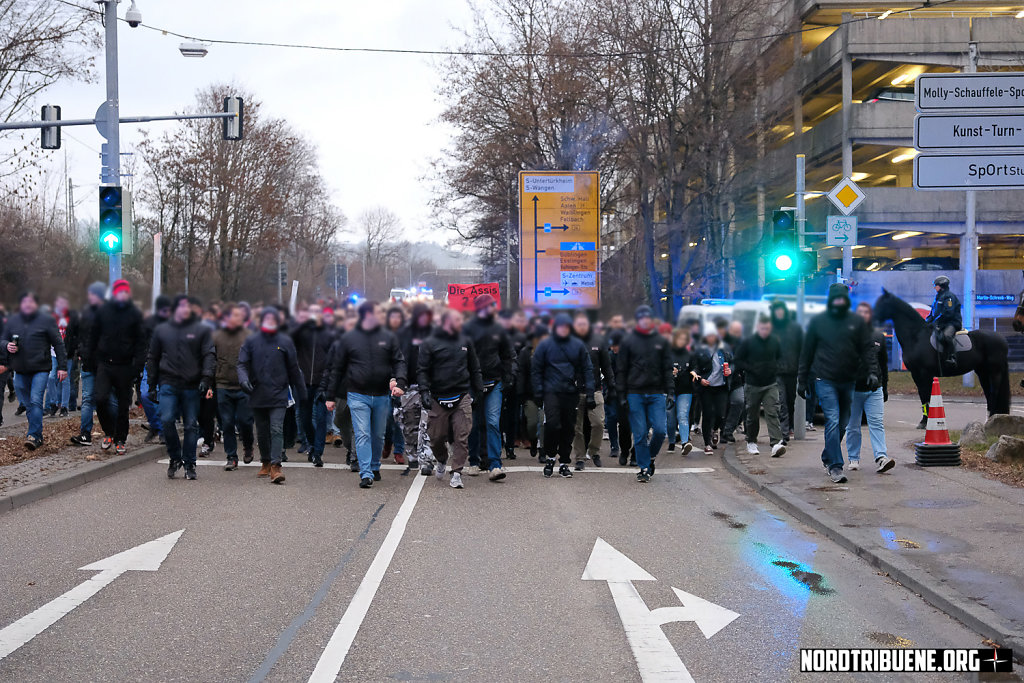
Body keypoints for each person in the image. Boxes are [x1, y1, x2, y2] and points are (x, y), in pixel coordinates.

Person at [798, 283, 879, 484]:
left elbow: (867, 349)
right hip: (824, 379)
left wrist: (872, 372)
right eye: (836, 298)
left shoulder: (856, 322)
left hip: (848, 381)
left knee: (842, 423)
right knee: (832, 421)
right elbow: (806, 352)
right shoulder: (819, 323)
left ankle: (827, 455)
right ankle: (835, 466)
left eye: (842, 298)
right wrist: (802, 380)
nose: (839, 301)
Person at [322, 301, 407, 489]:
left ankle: (375, 466)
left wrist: (400, 382)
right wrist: (330, 396)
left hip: (381, 394)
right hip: (357, 394)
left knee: (377, 435)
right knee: (362, 434)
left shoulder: (388, 337)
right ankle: (366, 472)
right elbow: (337, 369)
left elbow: (399, 361)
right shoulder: (349, 338)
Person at [147, 294, 216, 481]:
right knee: (167, 419)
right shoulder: (162, 330)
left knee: (191, 424)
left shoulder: (201, 330)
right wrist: (151, 385)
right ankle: (175, 457)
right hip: (168, 382)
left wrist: (206, 378)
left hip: (191, 385)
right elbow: (153, 357)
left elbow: (209, 354)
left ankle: (190, 462)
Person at [417, 308, 483, 489]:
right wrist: (424, 392)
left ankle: (457, 473)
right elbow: (422, 370)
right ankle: (441, 458)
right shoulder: (430, 343)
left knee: (462, 437)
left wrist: (478, 391)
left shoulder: (465, 341)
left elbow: (474, 368)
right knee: (436, 437)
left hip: (461, 395)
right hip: (438, 397)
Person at [238, 307, 305, 484]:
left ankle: (276, 466)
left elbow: (293, 368)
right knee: (262, 431)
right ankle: (265, 461)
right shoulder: (251, 341)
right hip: (257, 393)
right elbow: (242, 364)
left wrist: (302, 391)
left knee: (276, 428)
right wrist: (243, 380)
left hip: (278, 393)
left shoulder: (284, 341)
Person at [0, 291, 67, 450]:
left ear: (36, 304)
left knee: (36, 400)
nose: (27, 305)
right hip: (20, 370)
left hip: (40, 368)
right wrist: (6, 345)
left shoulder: (47, 320)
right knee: (28, 404)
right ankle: (37, 434)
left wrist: (63, 367)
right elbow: (2, 339)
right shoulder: (13, 321)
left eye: (30, 302)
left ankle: (34, 435)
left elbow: (58, 343)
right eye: (24, 302)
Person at [532, 313, 595, 479]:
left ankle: (564, 461)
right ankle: (551, 456)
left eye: (566, 327)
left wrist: (590, 393)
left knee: (569, 427)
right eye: (561, 327)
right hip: (551, 391)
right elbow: (536, 369)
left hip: (571, 392)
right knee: (553, 425)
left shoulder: (578, 346)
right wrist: (538, 391)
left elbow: (588, 369)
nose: (563, 330)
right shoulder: (545, 345)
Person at [88, 279, 147, 455]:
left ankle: (121, 438)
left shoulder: (134, 314)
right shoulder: (103, 311)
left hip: (125, 366)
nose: (121, 295)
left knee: (123, 405)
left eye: (124, 292)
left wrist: (136, 366)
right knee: (100, 398)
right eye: (118, 292)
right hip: (105, 364)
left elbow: (141, 342)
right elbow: (93, 336)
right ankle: (108, 431)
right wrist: (92, 361)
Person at [616, 305, 672, 483]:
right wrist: (621, 394)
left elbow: (667, 368)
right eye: (642, 318)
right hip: (635, 392)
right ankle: (644, 468)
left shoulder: (661, 341)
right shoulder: (628, 341)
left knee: (660, 431)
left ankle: (651, 457)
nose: (645, 320)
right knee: (639, 434)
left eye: (648, 317)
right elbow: (621, 369)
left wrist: (670, 391)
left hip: (656, 392)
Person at [464, 294, 515, 478]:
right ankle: (474, 461)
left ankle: (495, 464)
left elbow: (509, 354)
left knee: (493, 422)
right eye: (491, 305)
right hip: (472, 383)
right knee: (473, 424)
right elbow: (462, 355)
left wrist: (509, 376)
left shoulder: (499, 329)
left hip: (495, 382)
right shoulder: (468, 329)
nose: (494, 307)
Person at [847, 302, 895, 474]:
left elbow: (883, 364)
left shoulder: (878, 336)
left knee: (876, 423)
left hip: (875, 389)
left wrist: (885, 387)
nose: (863, 315)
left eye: (866, 312)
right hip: (853, 389)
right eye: (860, 312)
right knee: (853, 426)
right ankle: (853, 457)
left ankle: (881, 457)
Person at [734, 315, 786, 458]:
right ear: (758, 328)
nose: (765, 331)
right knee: (752, 415)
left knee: (772, 411)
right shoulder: (748, 342)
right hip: (752, 384)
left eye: (768, 329)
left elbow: (780, 357)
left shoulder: (774, 341)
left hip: (770, 383)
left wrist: (778, 368)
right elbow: (738, 360)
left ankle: (776, 442)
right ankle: (751, 441)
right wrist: (751, 369)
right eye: (763, 328)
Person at [291, 303, 334, 468]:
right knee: (305, 418)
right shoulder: (302, 332)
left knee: (322, 418)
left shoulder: (328, 333)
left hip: (322, 382)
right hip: (303, 382)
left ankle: (318, 453)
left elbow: (332, 357)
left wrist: (328, 379)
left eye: (318, 312)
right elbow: (288, 338)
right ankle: (311, 442)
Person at [214, 303, 255, 471]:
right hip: (223, 385)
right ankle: (231, 456)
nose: (234, 319)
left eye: (238, 316)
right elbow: (211, 359)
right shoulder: (216, 336)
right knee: (227, 423)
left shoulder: (249, 336)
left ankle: (248, 445)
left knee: (245, 421)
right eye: (231, 315)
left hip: (244, 387)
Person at [571, 313, 614, 469]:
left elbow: (606, 366)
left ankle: (594, 451)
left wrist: (612, 386)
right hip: (575, 390)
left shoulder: (598, 341)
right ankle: (580, 457)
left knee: (598, 423)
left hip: (595, 388)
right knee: (577, 427)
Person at [397, 302, 435, 475]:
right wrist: (399, 382)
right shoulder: (404, 333)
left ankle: (426, 459)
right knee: (409, 423)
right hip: (409, 384)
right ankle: (412, 454)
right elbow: (400, 359)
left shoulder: (433, 333)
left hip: (428, 384)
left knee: (427, 423)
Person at [70, 283, 106, 446]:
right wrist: (79, 351)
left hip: (105, 366)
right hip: (88, 364)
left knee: (105, 399)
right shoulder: (84, 313)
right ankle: (85, 433)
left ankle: (111, 432)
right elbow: (75, 334)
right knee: (87, 399)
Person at [691, 323, 733, 455]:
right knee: (708, 414)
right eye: (709, 335)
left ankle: (715, 430)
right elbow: (695, 367)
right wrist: (700, 379)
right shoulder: (700, 350)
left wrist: (730, 370)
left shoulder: (723, 348)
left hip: (721, 386)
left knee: (721, 414)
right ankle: (707, 443)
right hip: (707, 387)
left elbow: (732, 361)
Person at [769, 300, 802, 442]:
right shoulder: (770, 328)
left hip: (792, 369)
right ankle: (784, 432)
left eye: (781, 310)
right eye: (776, 310)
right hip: (776, 371)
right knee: (781, 401)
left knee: (790, 400)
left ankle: (790, 427)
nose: (779, 313)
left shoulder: (794, 328)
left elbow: (801, 348)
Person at [140, 296, 172, 443]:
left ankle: (163, 430)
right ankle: (156, 426)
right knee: (146, 395)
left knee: (164, 398)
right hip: (151, 365)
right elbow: (141, 342)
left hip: (168, 367)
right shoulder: (148, 324)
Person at [517, 325, 548, 459]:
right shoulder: (526, 352)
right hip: (531, 395)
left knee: (543, 422)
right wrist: (520, 392)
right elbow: (522, 373)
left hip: (547, 394)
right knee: (531, 423)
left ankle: (543, 450)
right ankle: (533, 441)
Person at [925, 275, 962, 369]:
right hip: (942, 323)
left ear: (942, 285)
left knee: (946, 336)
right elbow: (932, 313)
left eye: (936, 285)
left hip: (951, 323)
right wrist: (926, 322)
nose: (934, 287)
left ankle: (952, 357)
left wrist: (936, 322)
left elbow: (948, 313)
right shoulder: (938, 298)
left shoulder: (949, 297)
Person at [668, 328, 695, 456]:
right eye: (679, 339)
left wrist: (694, 372)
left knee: (682, 415)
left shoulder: (690, 354)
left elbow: (695, 367)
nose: (681, 341)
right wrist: (670, 372)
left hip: (685, 390)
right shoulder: (667, 354)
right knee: (670, 419)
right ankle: (672, 441)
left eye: (684, 339)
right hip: (670, 390)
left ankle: (685, 442)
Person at [721, 320, 746, 443]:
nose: (737, 334)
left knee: (739, 401)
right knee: (722, 407)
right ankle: (719, 431)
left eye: (739, 332)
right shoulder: (721, 344)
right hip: (721, 381)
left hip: (736, 379)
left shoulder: (742, 344)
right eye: (735, 332)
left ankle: (728, 430)